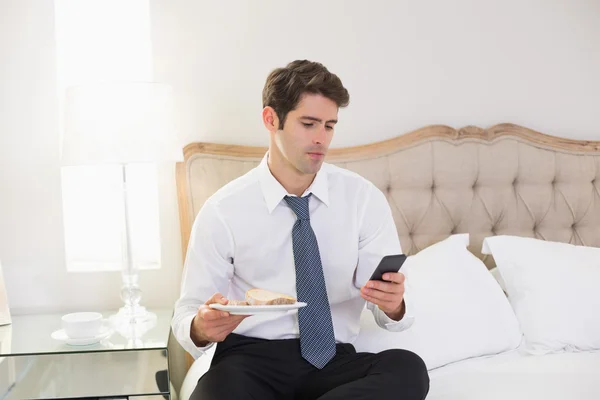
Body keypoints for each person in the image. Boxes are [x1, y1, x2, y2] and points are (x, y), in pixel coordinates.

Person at [172, 60, 430, 400]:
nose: (321, 139)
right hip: (249, 362)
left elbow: (390, 313)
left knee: (408, 368)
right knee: (213, 392)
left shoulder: (362, 199)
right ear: (271, 119)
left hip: (334, 363)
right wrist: (202, 327)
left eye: (329, 126)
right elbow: (187, 313)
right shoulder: (223, 210)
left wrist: (394, 305)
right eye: (308, 124)